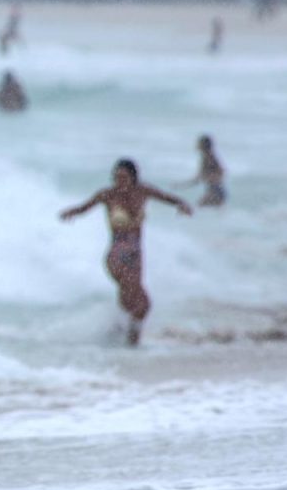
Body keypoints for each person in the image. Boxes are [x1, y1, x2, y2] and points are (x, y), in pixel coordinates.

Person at [59, 159, 192, 346]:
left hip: (136, 256)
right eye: (116, 177)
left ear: (133, 177)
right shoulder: (107, 194)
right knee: (142, 303)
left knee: (130, 304)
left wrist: (182, 205)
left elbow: (169, 198)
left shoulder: (143, 191)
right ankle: (128, 343)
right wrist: (70, 213)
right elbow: (83, 208)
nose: (119, 181)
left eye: (123, 177)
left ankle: (119, 343)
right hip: (117, 256)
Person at [182, 135, 226, 207]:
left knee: (198, 208)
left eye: (198, 143)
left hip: (215, 192)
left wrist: (209, 178)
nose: (196, 145)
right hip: (217, 191)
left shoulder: (208, 158)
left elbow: (221, 172)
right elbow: (200, 177)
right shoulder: (209, 157)